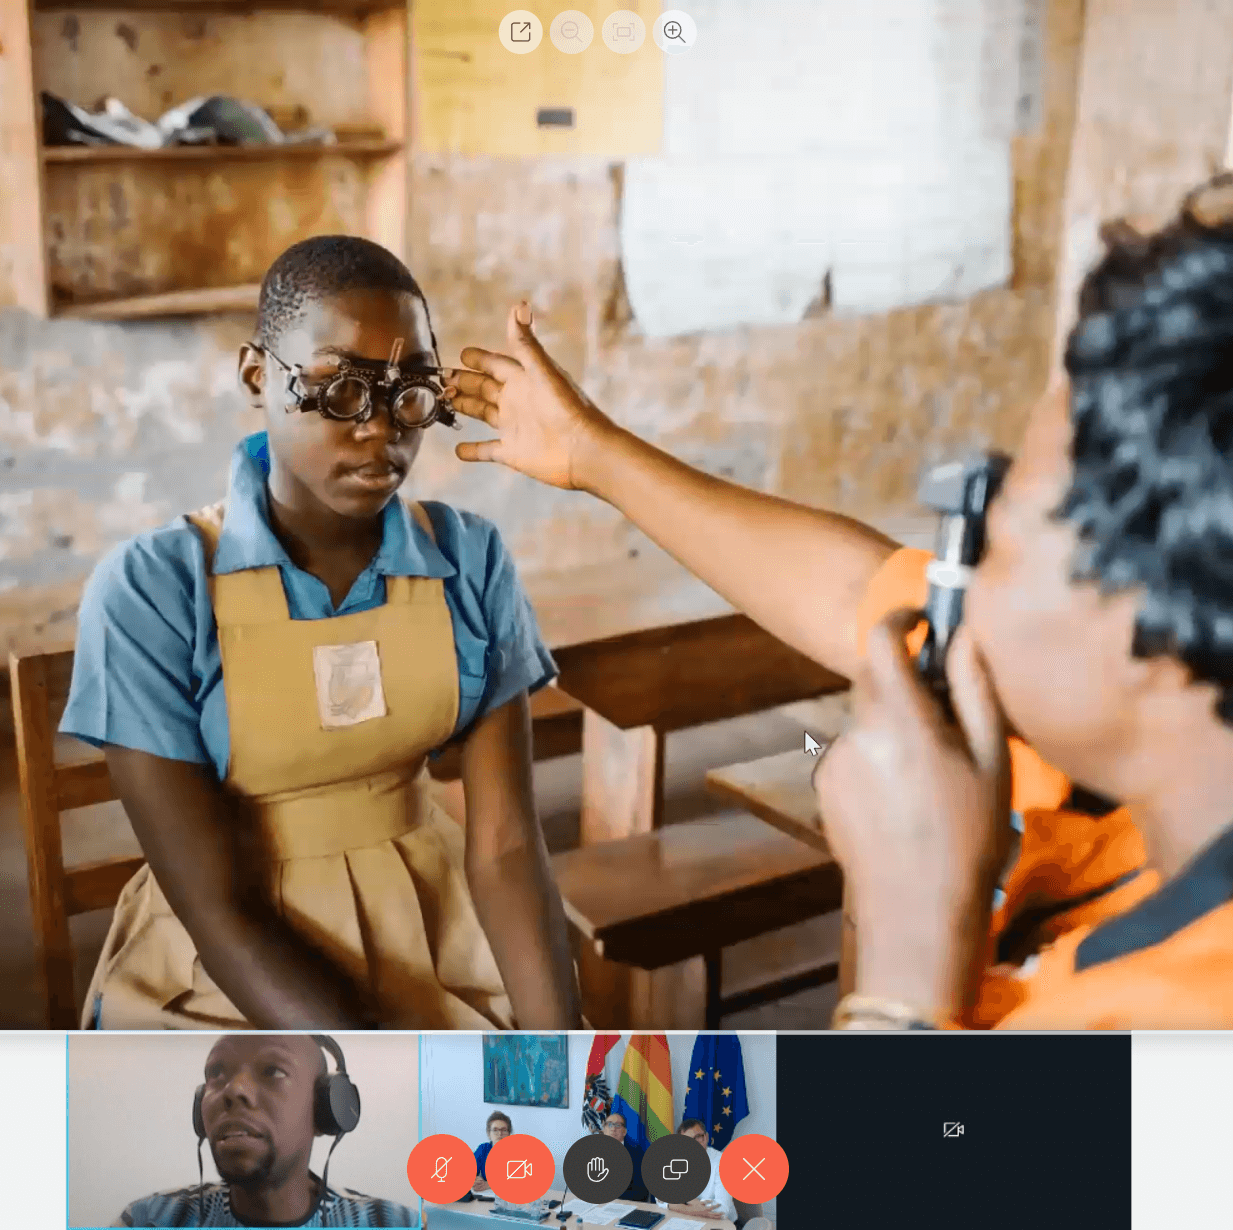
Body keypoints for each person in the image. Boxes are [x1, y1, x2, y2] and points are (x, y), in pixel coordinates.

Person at [441, 291, 1147, 1025]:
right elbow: (852, 592)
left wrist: (910, 946)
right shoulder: (1110, 739)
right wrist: (593, 453)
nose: (985, 587)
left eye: (1030, 537)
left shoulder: (1169, 1003)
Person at [60, 235, 581, 1032]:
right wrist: (370, 1066)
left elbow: (505, 848)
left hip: (439, 927)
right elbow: (216, 906)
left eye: (410, 394)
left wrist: (561, 1056)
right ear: (257, 376)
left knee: (541, 1121)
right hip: (234, 972)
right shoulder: (156, 588)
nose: (381, 432)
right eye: (341, 390)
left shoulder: (467, 559)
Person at [811, 180, 1233, 1029]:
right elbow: (852, 584)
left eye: (999, 539)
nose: (963, 587)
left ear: (1147, 627)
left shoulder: (1164, 1022)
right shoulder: (1133, 866)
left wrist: (905, 964)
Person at [112, 1033, 418, 1227]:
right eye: (216, 1073)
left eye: (273, 1071)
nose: (234, 1090)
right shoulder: (150, 1220)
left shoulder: (396, 1224)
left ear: (326, 1110)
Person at [670, 1119, 737, 1224]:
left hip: (722, 1224)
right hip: (688, 1220)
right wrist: (690, 1206)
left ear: (706, 1137)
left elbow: (723, 1210)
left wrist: (682, 1203)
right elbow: (661, 1200)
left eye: (698, 1137)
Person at [600, 1112, 651, 1204]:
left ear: (624, 1131)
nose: (613, 1128)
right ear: (604, 1130)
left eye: (618, 1125)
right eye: (609, 1124)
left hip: (626, 1206)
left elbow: (641, 1193)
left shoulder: (638, 1154)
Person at [472, 1112, 511, 1193]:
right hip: (487, 1196)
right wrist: (474, 1180)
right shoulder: (483, 1149)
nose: (500, 1134)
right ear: (489, 1134)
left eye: (504, 1130)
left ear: (509, 1133)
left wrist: (488, 1184)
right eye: (495, 1130)